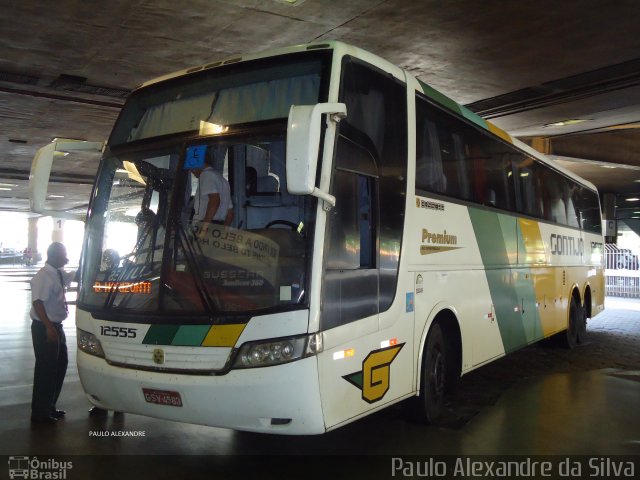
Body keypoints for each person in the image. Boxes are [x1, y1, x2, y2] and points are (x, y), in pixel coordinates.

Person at [29, 242, 75, 424]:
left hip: (56, 327)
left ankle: (50, 406)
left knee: (60, 365)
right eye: (64, 254)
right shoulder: (43, 276)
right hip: (45, 328)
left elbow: (74, 275)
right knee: (46, 370)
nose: (67, 257)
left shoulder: (58, 273)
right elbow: (38, 303)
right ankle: (40, 414)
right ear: (55, 255)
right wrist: (49, 328)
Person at [192, 161, 234, 226]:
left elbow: (214, 201)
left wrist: (203, 230)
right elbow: (230, 213)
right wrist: (223, 231)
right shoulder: (222, 180)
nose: (191, 171)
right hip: (217, 228)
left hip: (206, 227)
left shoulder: (206, 175)